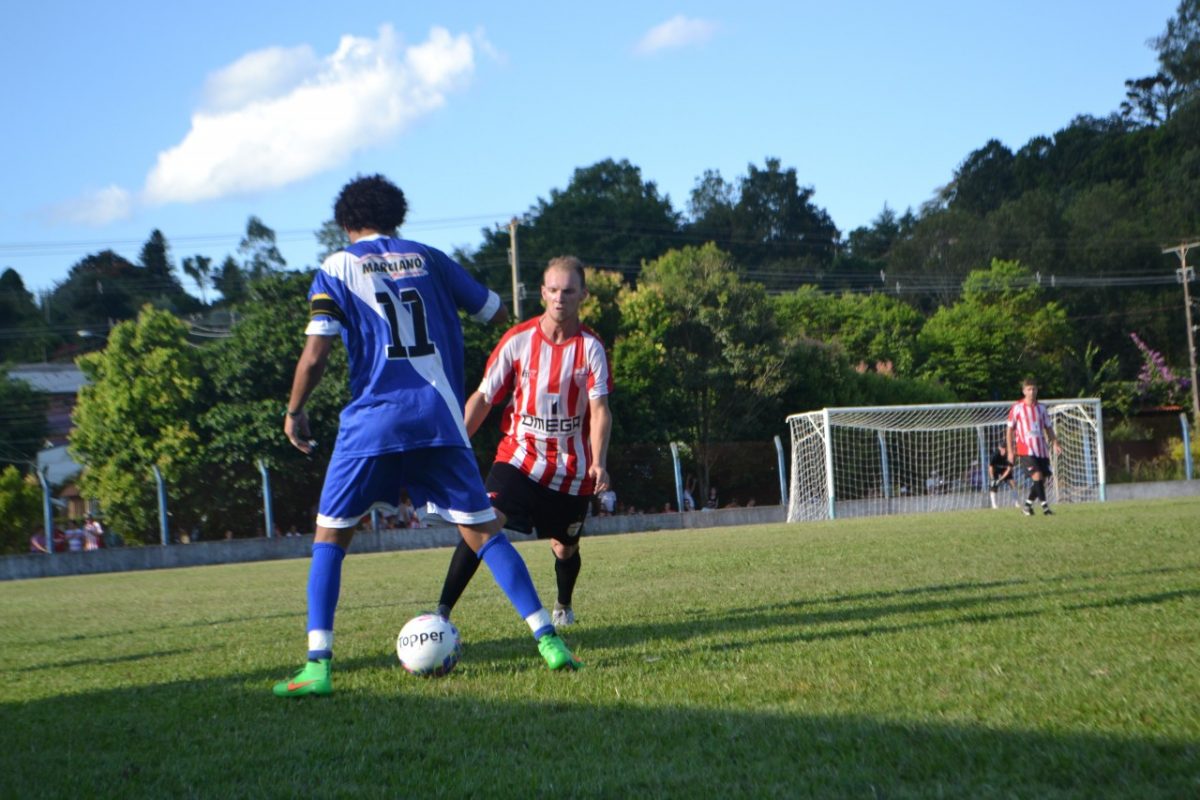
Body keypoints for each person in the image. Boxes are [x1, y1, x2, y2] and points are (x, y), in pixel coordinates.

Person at [274, 175, 580, 698]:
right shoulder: (431, 259)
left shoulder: (335, 268)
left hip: (372, 423)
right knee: (484, 533)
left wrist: (295, 410)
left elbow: (317, 352)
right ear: (397, 218)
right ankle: (548, 639)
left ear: (346, 223)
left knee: (331, 537)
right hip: (440, 420)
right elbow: (496, 311)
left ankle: (318, 666)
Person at [435, 256, 612, 629]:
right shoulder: (518, 340)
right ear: (542, 293)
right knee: (481, 525)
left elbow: (599, 410)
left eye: (568, 290)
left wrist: (599, 462)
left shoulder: (591, 348)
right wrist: (454, 445)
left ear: (583, 294)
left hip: (570, 470)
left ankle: (563, 604)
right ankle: (440, 614)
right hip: (519, 457)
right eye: (552, 290)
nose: (559, 298)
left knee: (565, 548)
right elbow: (484, 398)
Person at [1006, 377, 1062, 516]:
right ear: (1024, 391)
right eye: (1029, 389)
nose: (1032, 392)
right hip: (1025, 449)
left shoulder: (1042, 408)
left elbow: (1048, 428)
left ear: (1037, 390)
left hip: (1041, 449)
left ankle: (1027, 506)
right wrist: (1011, 451)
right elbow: (1009, 430)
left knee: (1041, 478)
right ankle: (1045, 508)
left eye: (1034, 389)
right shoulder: (1017, 408)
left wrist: (1055, 443)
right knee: (1036, 475)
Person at [988, 443, 1016, 509]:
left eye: (1005, 448)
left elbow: (1009, 469)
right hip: (996, 470)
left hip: (1004, 469)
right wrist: (992, 479)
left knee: (1012, 483)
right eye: (1002, 448)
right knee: (993, 486)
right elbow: (990, 467)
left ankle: (1016, 503)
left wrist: (1001, 479)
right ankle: (994, 505)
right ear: (999, 448)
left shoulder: (1010, 456)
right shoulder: (995, 455)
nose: (1004, 450)